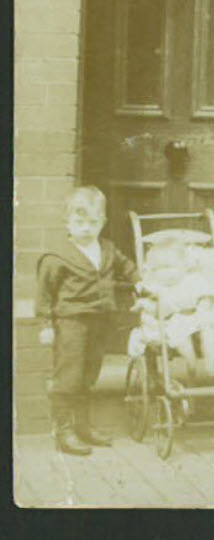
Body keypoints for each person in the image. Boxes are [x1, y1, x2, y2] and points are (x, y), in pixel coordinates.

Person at [35, 186, 138, 455]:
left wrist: (142, 281)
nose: (86, 228)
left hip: (100, 321)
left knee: (89, 374)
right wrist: (46, 325)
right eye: (79, 222)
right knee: (68, 376)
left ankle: (83, 426)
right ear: (67, 222)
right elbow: (45, 293)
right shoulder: (57, 257)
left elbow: (126, 266)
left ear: (102, 222)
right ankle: (64, 432)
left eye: (92, 222)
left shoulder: (107, 248)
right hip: (71, 323)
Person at [132, 231, 214, 378]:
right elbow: (152, 306)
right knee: (180, 335)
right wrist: (144, 305)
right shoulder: (155, 286)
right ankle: (191, 362)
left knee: (210, 330)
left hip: (199, 317)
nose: (164, 273)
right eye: (157, 269)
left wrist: (203, 309)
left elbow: (206, 295)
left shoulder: (193, 280)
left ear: (184, 266)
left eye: (169, 267)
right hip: (175, 321)